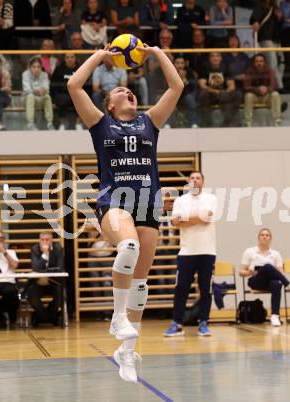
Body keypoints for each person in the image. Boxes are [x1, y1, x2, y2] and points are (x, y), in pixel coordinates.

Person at [67, 42, 183, 382]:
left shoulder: (150, 122)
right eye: (120, 90)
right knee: (128, 247)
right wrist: (100, 57)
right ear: (109, 103)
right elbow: (74, 84)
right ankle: (118, 317)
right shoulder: (100, 124)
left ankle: (127, 353)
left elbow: (177, 87)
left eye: (130, 90)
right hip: (114, 201)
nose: (127, 91)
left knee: (141, 282)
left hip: (148, 203)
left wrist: (158, 53)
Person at [164, 171, 217, 337]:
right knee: (181, 289)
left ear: (203, 181)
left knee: (205, 290)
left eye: (198, 178)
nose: (195, 180)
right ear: (188, 181)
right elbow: (175, 222)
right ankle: (177, 323)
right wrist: (196, 217)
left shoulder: (211, 198)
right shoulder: (180, 200)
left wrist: (184, 219)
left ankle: (203, 323)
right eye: (192, 178)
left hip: (207, 251)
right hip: (186, 252)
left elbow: (207, 217)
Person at [239, 228, 290, 327]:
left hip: (270, 282)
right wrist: (249, 272)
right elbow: (241, 272)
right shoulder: (249, 251)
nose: (264, 236)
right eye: (262, 235)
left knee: (277, 284)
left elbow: (280, 272)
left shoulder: (276, 254)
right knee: (267, 266)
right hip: (256, 281)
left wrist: (281, 277)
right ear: (258, 237)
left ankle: (275, 316)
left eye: (267, 235)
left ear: (270, 238)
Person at [28, 232, 64, 327]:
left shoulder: (58, 248)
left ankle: (39, 318)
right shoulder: (34, 249)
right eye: (42, 240)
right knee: (33, 299)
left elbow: (60, 268)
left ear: (51, 240)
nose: (44, 242)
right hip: (37, 283)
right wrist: (45, 255)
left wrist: (44, 270)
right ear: (39, 240)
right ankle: (52, 318)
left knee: (60, 296)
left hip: (53, 282)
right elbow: (35, 267)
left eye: (47, 240)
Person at [198, 51, 242, 127]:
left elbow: (232, 86)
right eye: (212, 56)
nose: (215, 58)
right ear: (209, 59)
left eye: (217, 56)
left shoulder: (226, 67)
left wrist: (224, 92)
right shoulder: (204, 67)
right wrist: (216, 91)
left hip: (223, 93)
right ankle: (207, 124)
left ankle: (227, 123)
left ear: (221, 58)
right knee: (203, 95)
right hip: (210, 93)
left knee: (233, 95)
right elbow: (202, 85)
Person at [250, 0, 283, 90]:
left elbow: (279, 25)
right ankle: (277, 86)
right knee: (272, 61)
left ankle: (277, 85)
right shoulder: (259, 6)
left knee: (277, 62)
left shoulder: (275, 8)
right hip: (265, 37)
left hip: (274, 38)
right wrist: (255, 21)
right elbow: (253, 18)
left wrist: (279, 18)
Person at [244, 53, 281, 127]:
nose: (259, 63)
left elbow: (275, 86)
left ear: (264, 62)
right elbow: (246, 87)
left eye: (261, 61)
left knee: (275, 94)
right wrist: (258, 89)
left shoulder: (270, 70)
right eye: (257, 61)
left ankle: (277, 121)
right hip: (255, 97)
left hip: (266, 97)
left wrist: (267, 89)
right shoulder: (249, 71)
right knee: (248, 95)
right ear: (254, 62)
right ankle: (248, 122)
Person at [22, 56, 54, 131]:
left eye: (38, 67)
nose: (36, 69)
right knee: (30, 96)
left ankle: (50, 123)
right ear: (30, 67)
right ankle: (30, 124)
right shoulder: (25, 74)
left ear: (41, 67)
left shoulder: (44, 75)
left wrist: (41, 91)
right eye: (34, 67)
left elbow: (46, 89)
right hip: (26, 100)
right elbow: (27, 90)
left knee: (47, 97)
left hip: (39, 99)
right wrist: (38, 90)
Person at [50, 52, 81, 130]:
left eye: (72, 57)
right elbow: (53, 86)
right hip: (62, 95)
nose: (70, 59)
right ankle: (62, 124)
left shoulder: (80, 68)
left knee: (80, 100)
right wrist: (53, 100)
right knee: (62, 100)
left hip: (77, 94)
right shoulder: (58, 69)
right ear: (64, 59)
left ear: (75, 58)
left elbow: (85, 84)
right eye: (67, 57)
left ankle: (78, 123)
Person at [146, 28, 174, 105]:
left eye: (167, 38)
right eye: (163, 38)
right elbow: (151, 68)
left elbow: (176, 68)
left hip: (170, 80)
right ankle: (151, 104)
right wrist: (163, 57)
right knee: (150, 76)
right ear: (159, 39)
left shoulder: (177, 50)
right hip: (157, 78)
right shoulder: (154, 50)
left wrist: (169, 54)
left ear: (171, 39)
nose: (165, 40)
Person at [171, 55, 198, 128]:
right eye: (177, 63)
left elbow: (191, 88)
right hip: (174, 95)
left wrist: (184, 79)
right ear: (174, 64)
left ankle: (193, 123)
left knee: (190, 98)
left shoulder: (190, 72)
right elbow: (168, 87)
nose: (180, 65)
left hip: (186, 94)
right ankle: (168, 124)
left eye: (182, 63)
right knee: (170, 100)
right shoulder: (169, 72)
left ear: (185, 64)